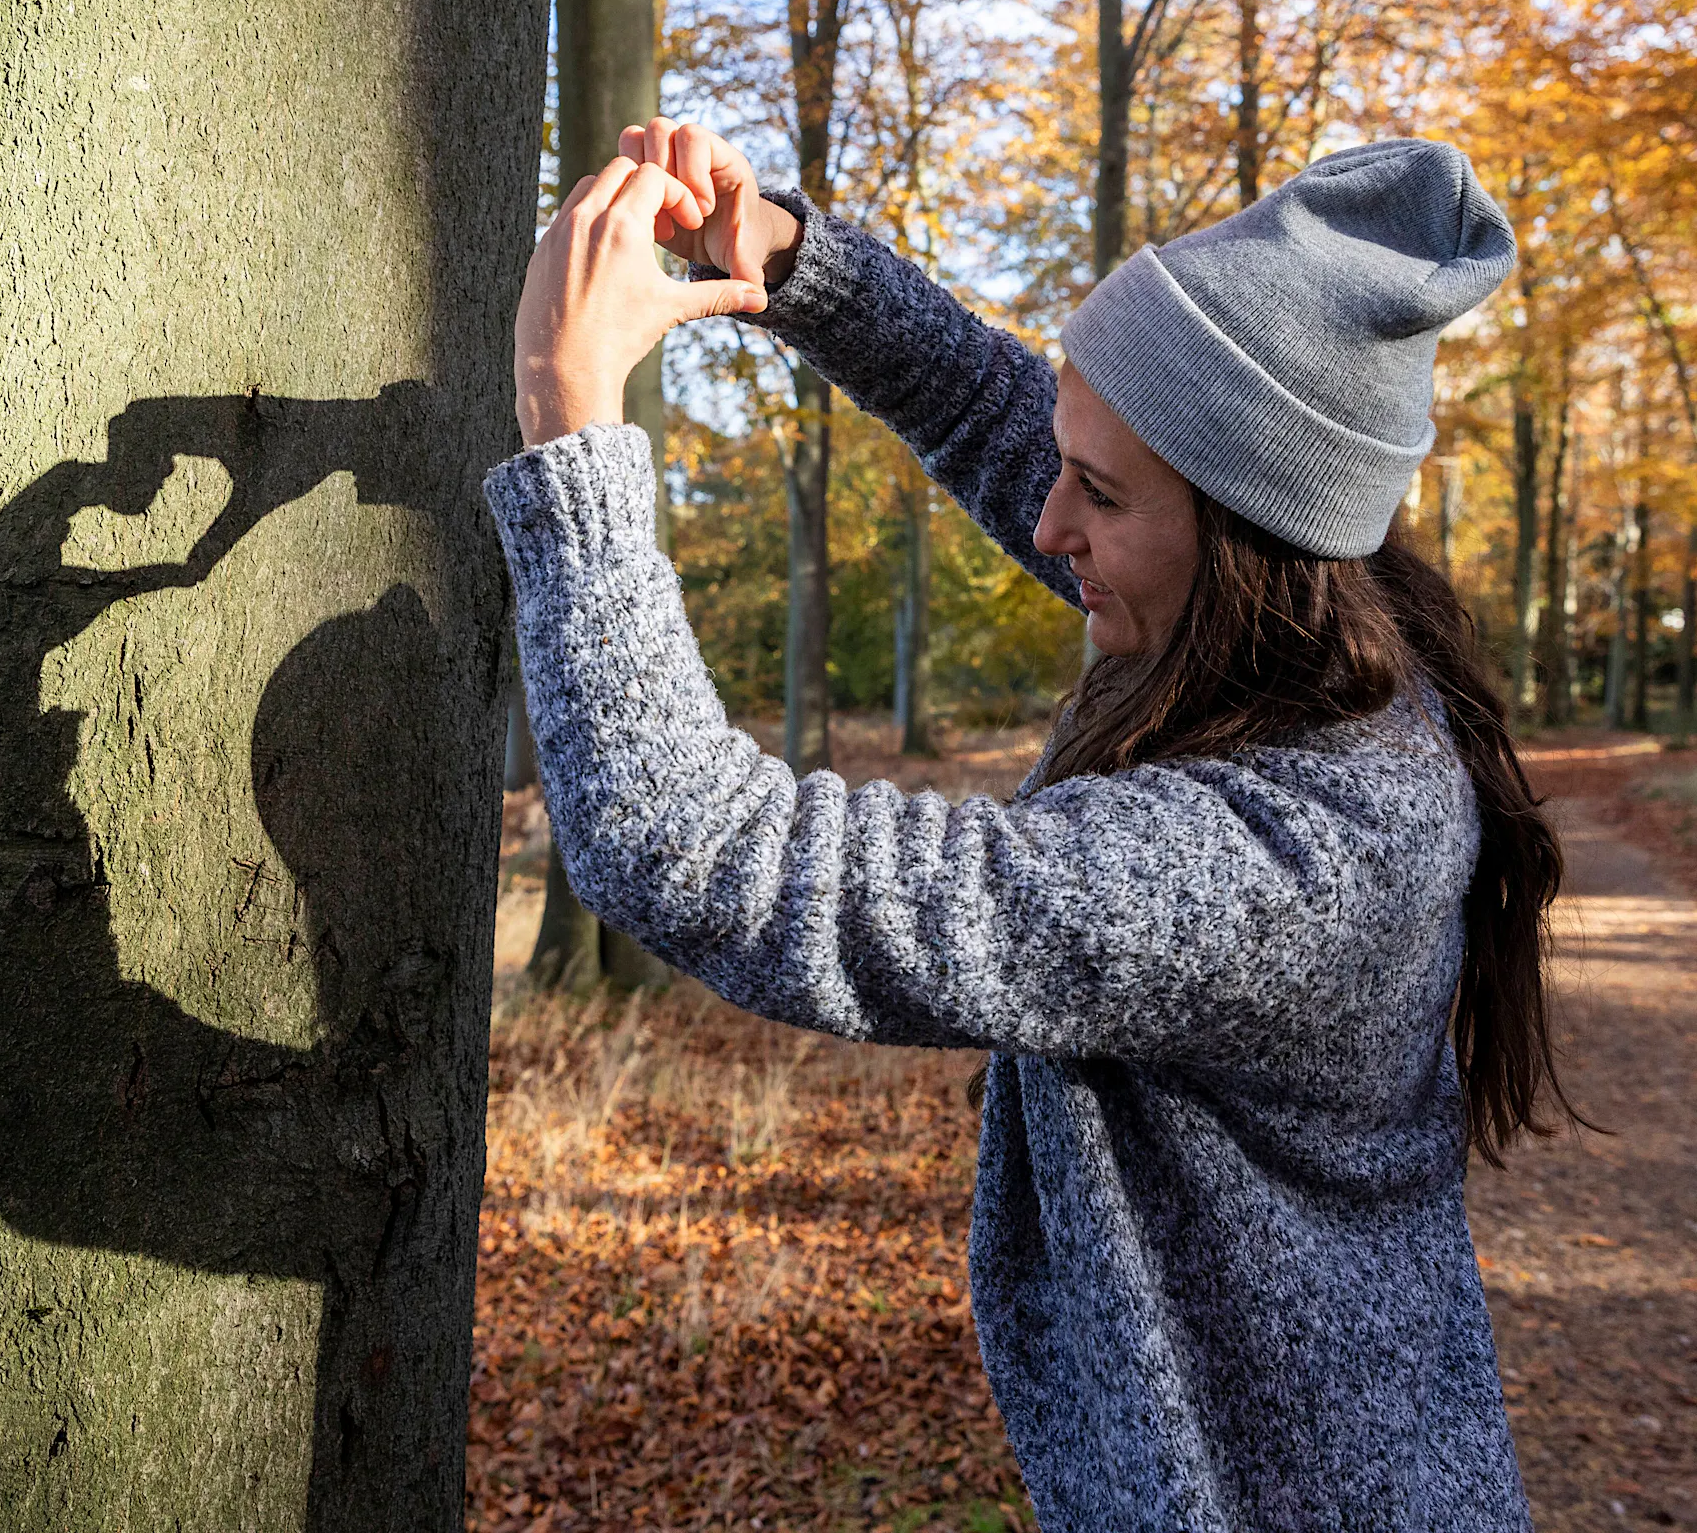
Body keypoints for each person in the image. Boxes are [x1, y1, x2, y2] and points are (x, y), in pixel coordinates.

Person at [483, 119, 1566, 1532]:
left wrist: (572, 425)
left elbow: (698, 853)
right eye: (1070, 463)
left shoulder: (1293, 859)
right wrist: (792, 264)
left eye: (1100, 495)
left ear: (1252, 534)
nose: (1050, 526)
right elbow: (1006, 419)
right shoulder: (1300, 645)